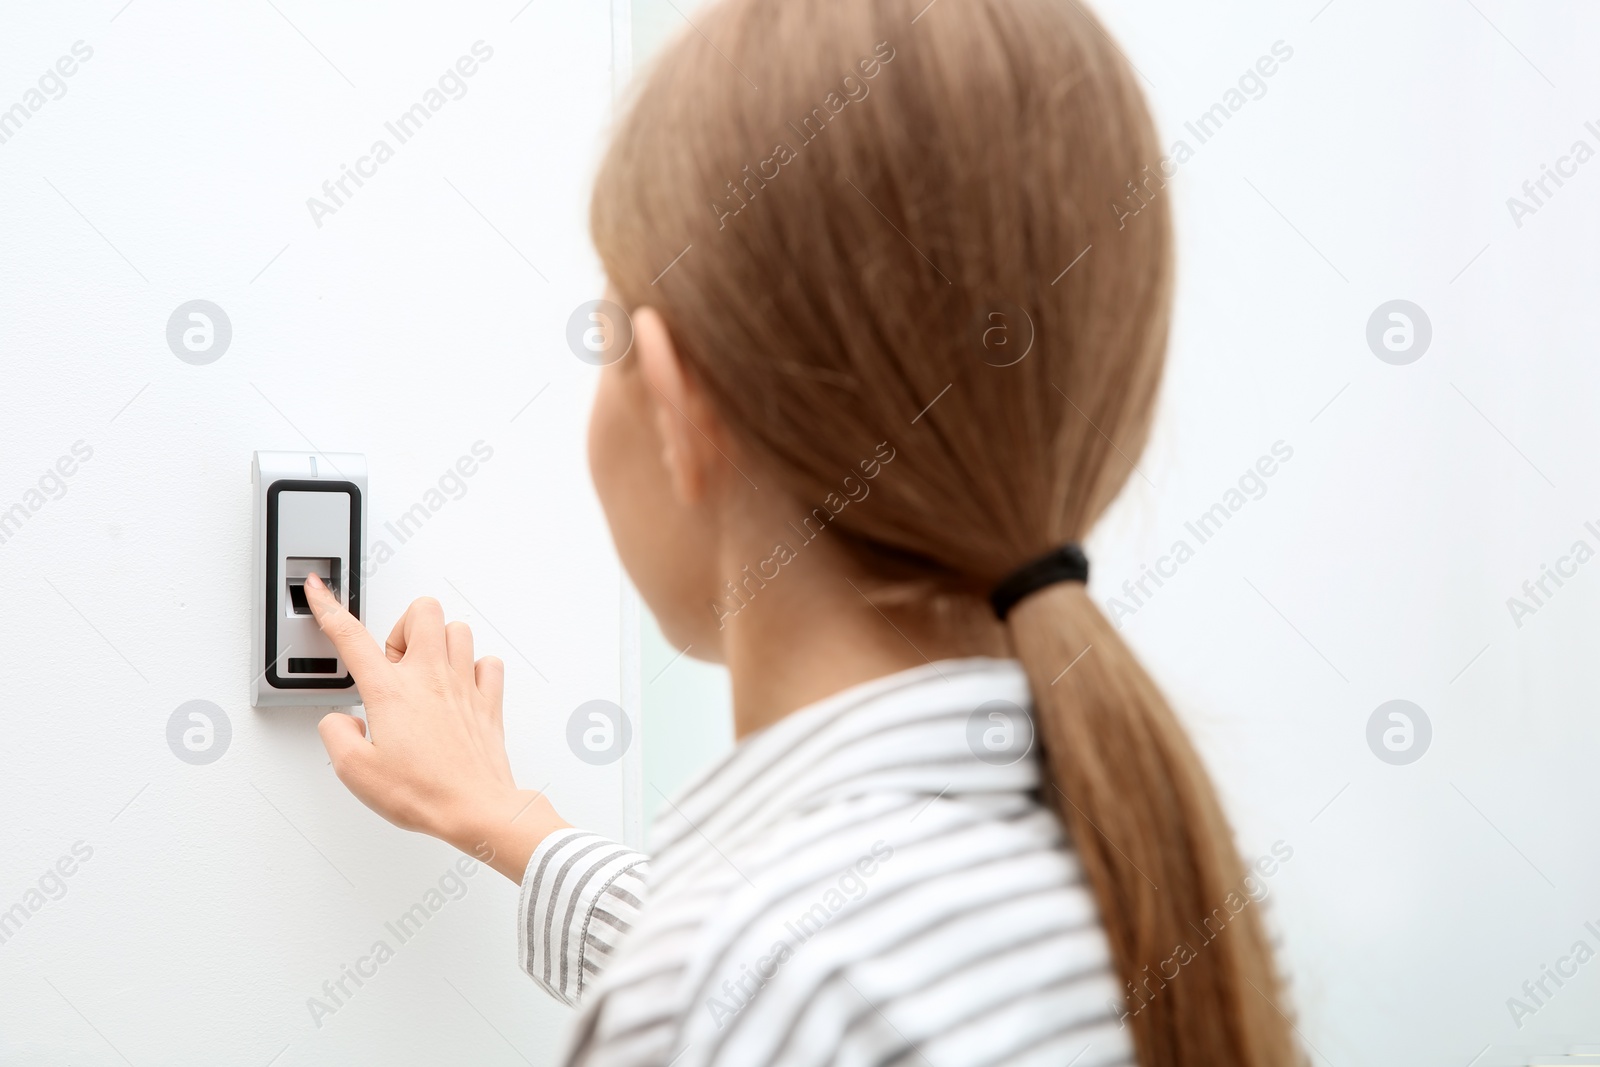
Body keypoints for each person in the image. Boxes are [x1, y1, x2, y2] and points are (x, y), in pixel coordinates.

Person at [300, 0, 1301, 1062]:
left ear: (680, 409)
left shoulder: (728, 994)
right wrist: (502, 819)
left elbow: (774, 988)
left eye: (605, 331)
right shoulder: (1159, 873)